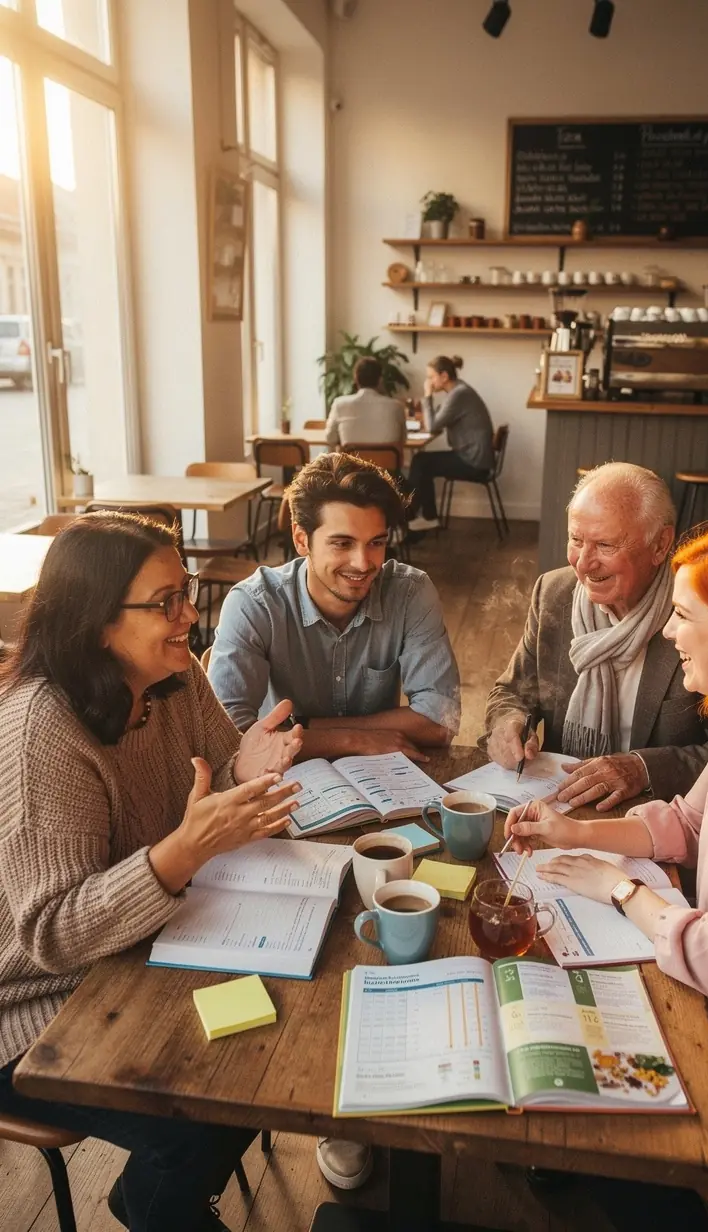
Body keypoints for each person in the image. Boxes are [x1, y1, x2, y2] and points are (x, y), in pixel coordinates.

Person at [504, 524, 708, 1231]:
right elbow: (688, 823)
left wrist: (619, 888)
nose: (671, 633)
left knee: (598, 1130)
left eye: (683, 616)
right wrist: (573, 832)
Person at [0, 512, 304, 1232]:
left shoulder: (172, 676)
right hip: (31, 1007)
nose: (189, 615)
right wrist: (184, 853)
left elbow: (208, 786)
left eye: (185, 592)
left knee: (257, 1072)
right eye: (164, 601)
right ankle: (154, 1207)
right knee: (199, 1124)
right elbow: (52, 931)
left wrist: (243, 768)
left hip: (144, 952)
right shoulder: (42, 728)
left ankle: (147, 1202)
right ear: (97, 621)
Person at [484, 462, 708, 809]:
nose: (583, 563)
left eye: (605, 545)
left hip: (661, 813)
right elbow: (511, 691)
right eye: (576, 540)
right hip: (561, 802)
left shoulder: (699, 613)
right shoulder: (554, 593)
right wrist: (509, 723)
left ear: (660, 544)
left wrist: (641, 768)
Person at [209, 450, 461, 760]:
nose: (363, 563)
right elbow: (226, 735)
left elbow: (440, 720)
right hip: (279, 783)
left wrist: (304, 727)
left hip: (382, 781)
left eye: (376, 543)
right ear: (301, 540)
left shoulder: (410, 592)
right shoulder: (254, 604)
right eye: (342, 543)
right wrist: (350, 741)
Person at [406, 355, 494, 533]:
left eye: (431, 377)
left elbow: (432, 426)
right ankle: (421, 517)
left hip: (473, 462)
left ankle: (416, 517)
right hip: (475, 457)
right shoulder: (459, 391)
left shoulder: (459, 394)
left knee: (421, 462)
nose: (428, 382)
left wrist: (428, 395)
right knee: (423, 461)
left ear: (444, 376)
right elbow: (438, 420)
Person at [325, 356, 407, 449]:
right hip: (386, 463)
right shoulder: (397, 406)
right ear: (380, 380)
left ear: (355, 379)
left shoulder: (339, 404)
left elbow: (330, 438)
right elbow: (402, 440)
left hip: (351, 463)